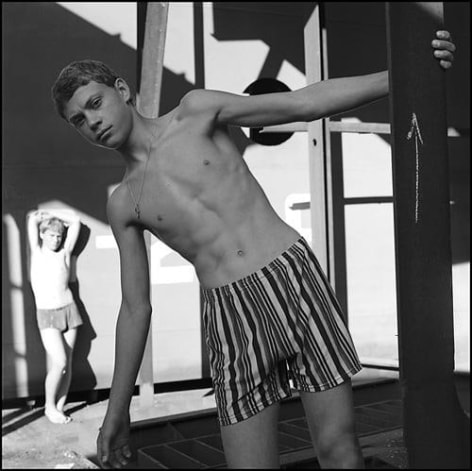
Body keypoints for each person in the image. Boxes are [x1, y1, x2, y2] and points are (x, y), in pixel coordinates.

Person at [51, 30, 455, 467]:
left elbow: (303, 103)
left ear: (122, 90)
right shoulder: (123, 203)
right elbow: (135, 308)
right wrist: (117, 410)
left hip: (291, 278)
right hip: (229, 313)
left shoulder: (195, 111)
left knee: (339, 452)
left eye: (95, 103)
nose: (92, 122)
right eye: (79, 120)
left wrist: (403, 75)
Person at [27, 209, 82, 424]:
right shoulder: (37, 253)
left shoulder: (65, 253)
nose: (55, 239)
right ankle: (49, 407)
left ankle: (59, 406)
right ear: (42, 235)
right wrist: (47, 216)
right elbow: (33, 219)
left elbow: (75, 221)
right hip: (47, 314)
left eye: (59, 235)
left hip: (69, 310)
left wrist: (55, 216)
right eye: (51, 235)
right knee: (59, 362)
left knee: (68, 363)